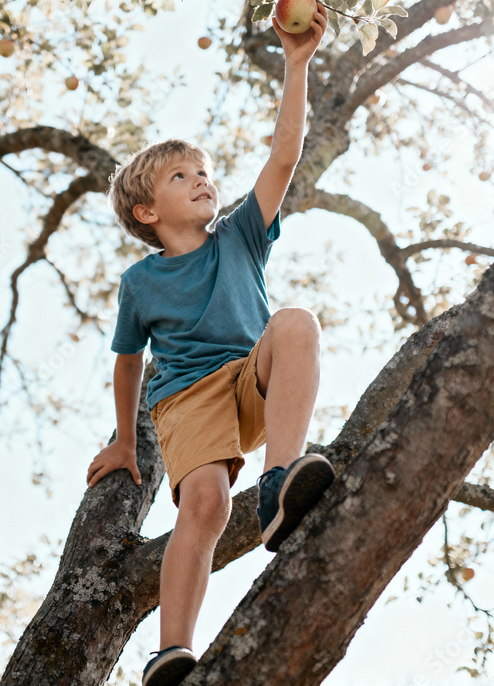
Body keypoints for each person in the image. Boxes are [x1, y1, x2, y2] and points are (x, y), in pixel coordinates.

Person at [86, 5, 332, 685]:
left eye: (202, 172)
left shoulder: (239, 236)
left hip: (250, 379)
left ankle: (280, 480)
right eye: (180, 177)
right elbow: (129, 357)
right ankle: (171, 652)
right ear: (147, 212)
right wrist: (126, 444)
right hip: (187, 400)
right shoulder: (140, 283)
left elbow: (284, 154)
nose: (201, 179)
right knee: (204, 505)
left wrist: (297, 62)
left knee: (298, 322)